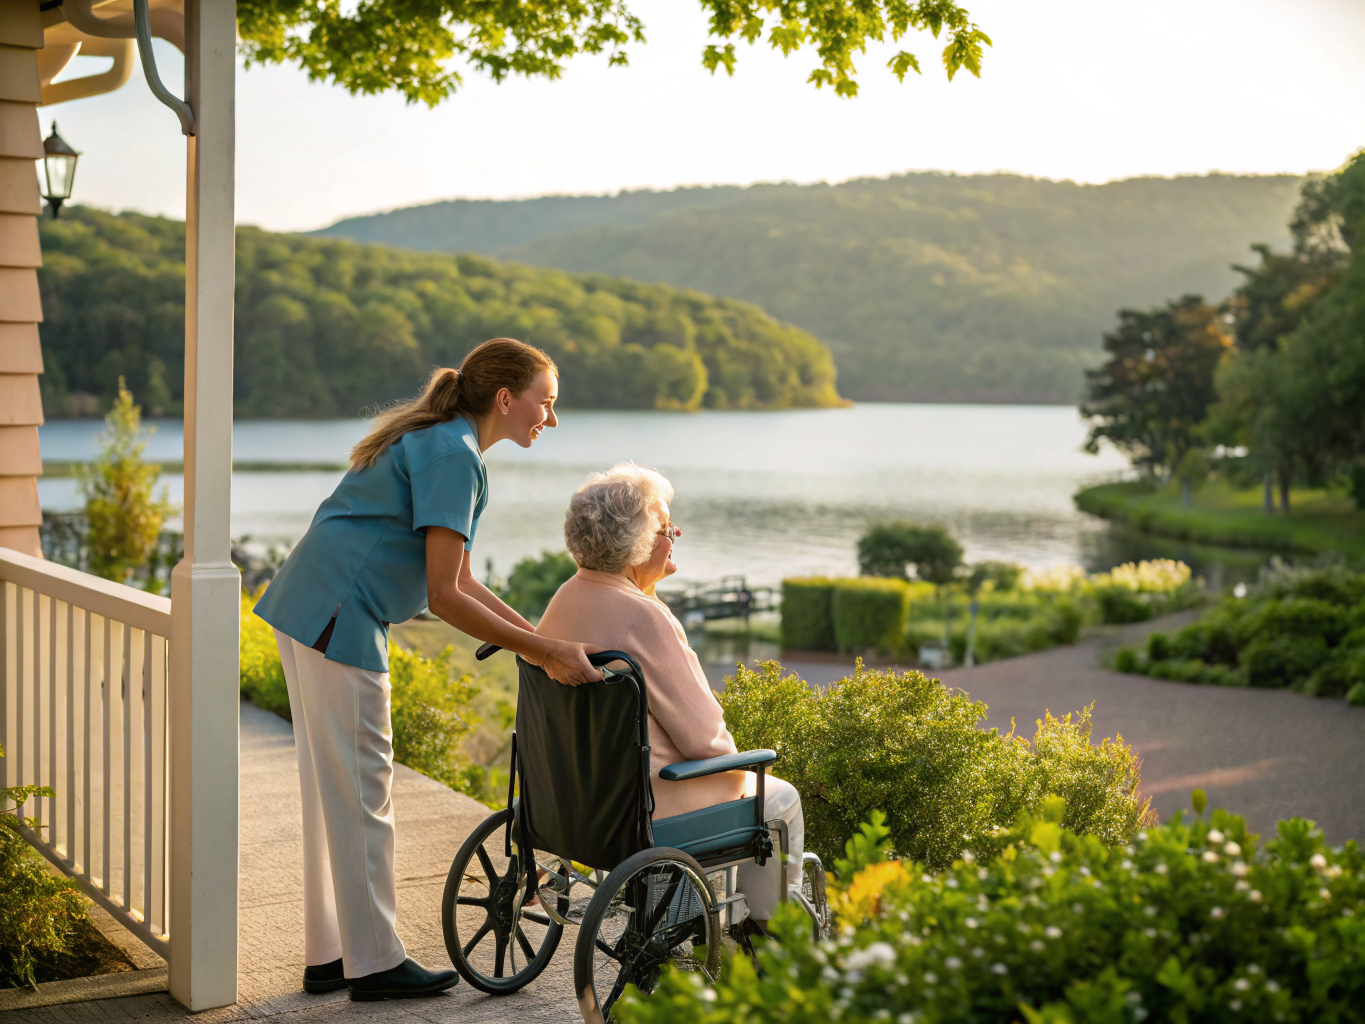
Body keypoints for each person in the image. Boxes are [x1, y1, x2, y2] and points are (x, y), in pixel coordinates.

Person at [255, 339, 601, 1001]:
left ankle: (332, 954)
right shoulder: (454, 455)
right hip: (338, 613)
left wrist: (541, 641)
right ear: (507, 399)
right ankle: (375, 962)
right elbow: (443, 597)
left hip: (309, 602)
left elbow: (463, 580)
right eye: (545, 404)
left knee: (331, 791)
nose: (549, 420)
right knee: (362, 793)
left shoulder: (446, 443)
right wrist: (545, 652)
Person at [536, 463, 804, 928]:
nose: (675, 532)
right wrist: (736, 764)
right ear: (637, 544)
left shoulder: (564, 598)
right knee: (779, 798)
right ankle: (767, 929)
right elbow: (706, 741)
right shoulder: (645, 618)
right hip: (647, 808)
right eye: (665, 527)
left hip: (572, 797)